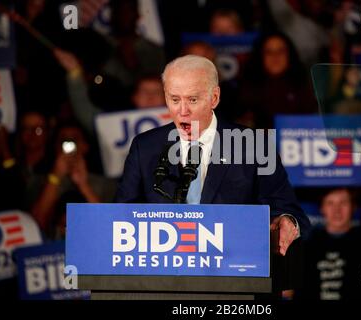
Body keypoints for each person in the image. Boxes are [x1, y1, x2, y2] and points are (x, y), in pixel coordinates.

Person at [115, 55, 310, 295]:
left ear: (214, 97)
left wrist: (288, 222)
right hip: (164, 285)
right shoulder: (145, 147)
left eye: (193, 100)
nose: (182, 111)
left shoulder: (253, 146)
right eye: (174, 99)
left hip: (236, 285)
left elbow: (290, 212)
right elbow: (121, 217)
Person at [295, 188, 361, 300]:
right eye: (330, 203)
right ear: (322, 208)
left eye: (343, 203)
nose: (337, 210)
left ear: (353, 207)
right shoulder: (308, 246)